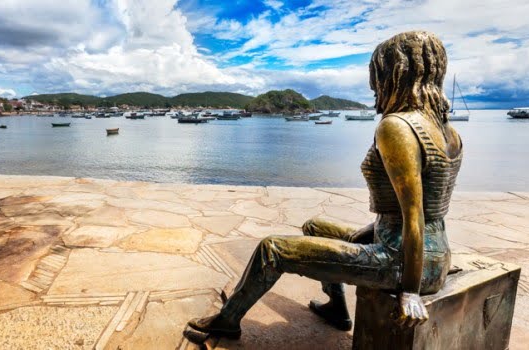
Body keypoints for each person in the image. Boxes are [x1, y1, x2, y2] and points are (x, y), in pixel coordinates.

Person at [186, 31, 463, 340]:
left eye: (377, 74)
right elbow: (421, 212)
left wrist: (410, 290)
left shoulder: (396, 127)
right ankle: (336, 308)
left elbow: (414, 216)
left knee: (272, 250)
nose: (374, 85)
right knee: (314, 226)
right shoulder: (446, 131)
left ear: (394, 72)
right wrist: (368, 232)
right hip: (435, 255)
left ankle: (227, 320)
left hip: (402, 261)